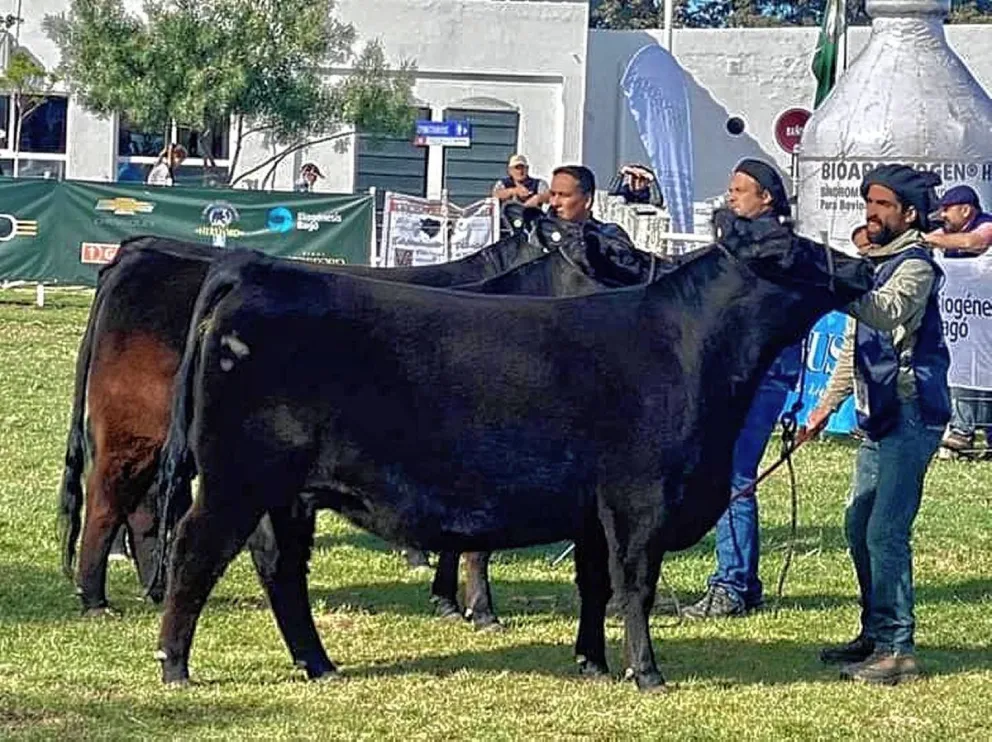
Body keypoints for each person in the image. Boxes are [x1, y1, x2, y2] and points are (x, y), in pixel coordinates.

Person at [805, 164, 949, 686]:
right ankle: (874, 632)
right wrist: (823, 408)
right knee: (857, 526)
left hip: (912, 414)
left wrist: (837, 284)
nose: (871, 212)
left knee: (886, 532)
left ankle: (898, 649)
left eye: (884, 205)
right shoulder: (876, 263)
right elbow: (855, 346)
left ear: (909, 213)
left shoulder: (914, 266)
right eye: (869, 202)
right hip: (879, 414)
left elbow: (885, 315)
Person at [681, 158, 802, 619]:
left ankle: (730, 584)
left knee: (735, 478)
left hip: (762, 375)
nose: (731, 198)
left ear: (766, 198)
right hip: (750, 373)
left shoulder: (772, 248)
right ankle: (743, 582)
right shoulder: (750, 241)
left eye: (739, 191)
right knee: (734, 475)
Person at [924, 185, 992, 456]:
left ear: (966, 210)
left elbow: (974, 243)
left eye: (947, 210)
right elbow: (932, 237)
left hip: (984, 317)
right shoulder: (949, 232)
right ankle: (962, 430)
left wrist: (929, 240)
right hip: (965, 318)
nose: (943, 216)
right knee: (962, 367)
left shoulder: (986, 226)